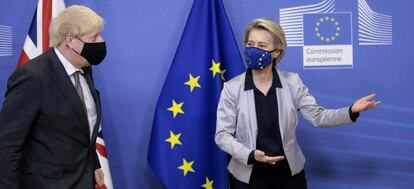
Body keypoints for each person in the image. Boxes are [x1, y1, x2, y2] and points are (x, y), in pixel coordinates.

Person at [215, 17, 380, 189]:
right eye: (250, 44)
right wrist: (250, 154)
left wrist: (351, 110)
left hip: (289, 176)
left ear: (276, 52)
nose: (253, 50)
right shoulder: (232, 88)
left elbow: (319, 117)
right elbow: (222, 135)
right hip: (247, 177)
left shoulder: (292, 82)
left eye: (262, 46)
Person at [0, 5, 107, 189]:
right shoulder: (33, 77)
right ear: (70, 40)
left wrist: (95, 165)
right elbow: (7, 146)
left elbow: (82, 129)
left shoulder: (85, 67)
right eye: (94, 37)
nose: (101, 41)